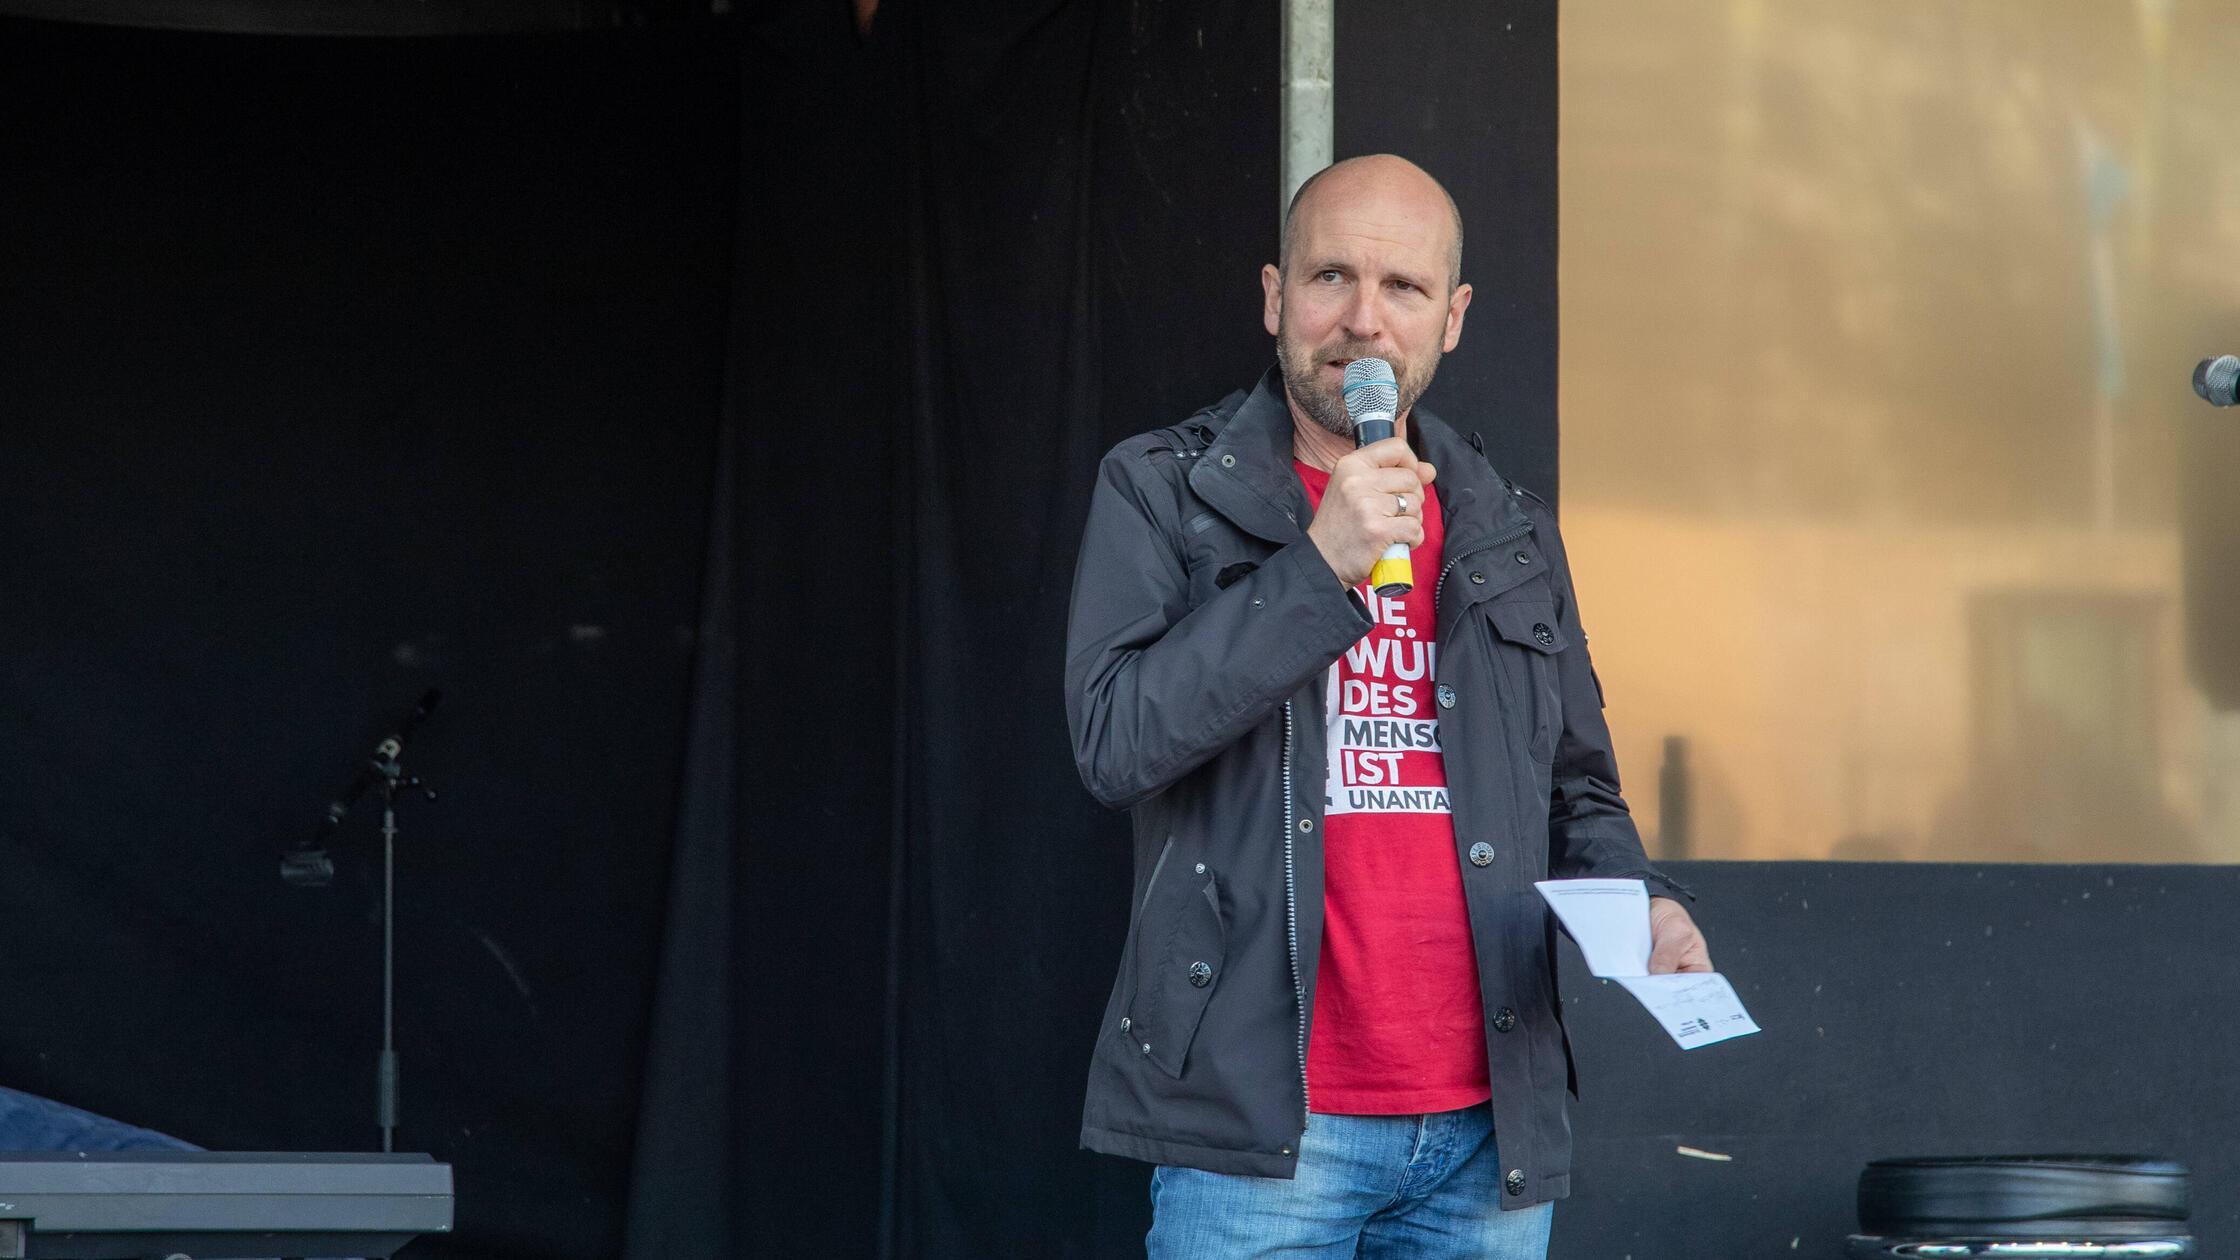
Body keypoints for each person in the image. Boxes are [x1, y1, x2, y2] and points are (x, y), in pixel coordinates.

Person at [1063, 154, 1713, 1259]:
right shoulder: (1165, 489)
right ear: (1274, 298)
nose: (1362, 321)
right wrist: (1318, 567)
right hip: (1266, 1127)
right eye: (1329, 279)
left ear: (1451, 319)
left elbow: (1575, 781)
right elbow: (1115, 741)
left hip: (1480, 1129)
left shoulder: (1508, 526)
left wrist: (1633, 899)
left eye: (1402, 288)